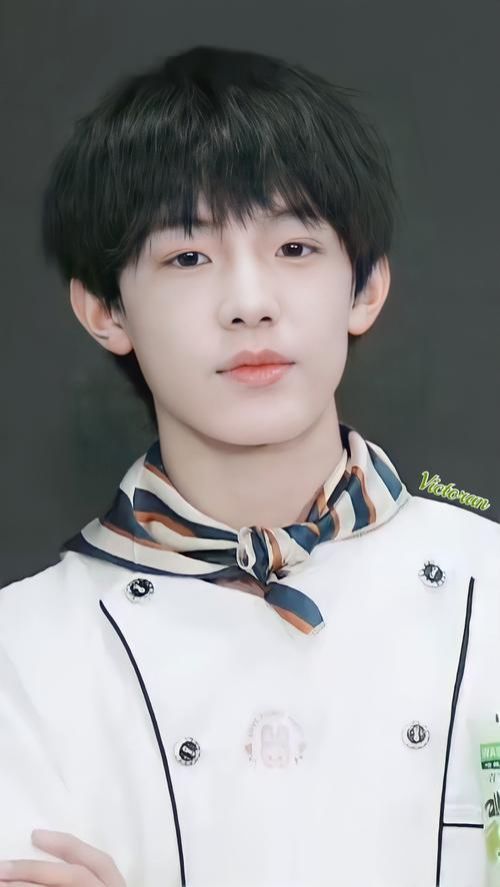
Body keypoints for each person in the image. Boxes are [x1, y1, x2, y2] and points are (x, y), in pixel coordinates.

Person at [0, 43, 499, 887]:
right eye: (188, 258)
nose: (249, 303)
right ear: (105, 309)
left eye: (295, 247)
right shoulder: (21, 652)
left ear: (366, 288)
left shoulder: (491, 590)